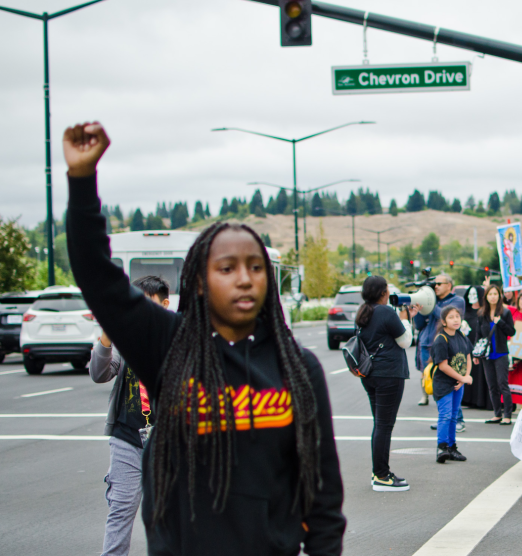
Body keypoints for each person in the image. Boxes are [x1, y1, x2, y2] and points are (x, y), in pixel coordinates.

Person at [63, 122, 344, 554]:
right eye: (227, 268)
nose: (245, 279)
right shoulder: (170, 348)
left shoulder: (297, 367)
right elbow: (100, 281)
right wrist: (82, 181)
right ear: (198, 282)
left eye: (255, 267)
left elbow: (322, 498)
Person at [90, 275, 169, 556]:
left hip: (167, 443)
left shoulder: (175, 338)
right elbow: (99, 374)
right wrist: (107, 334)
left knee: (169, 516)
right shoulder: (123, 339)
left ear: (165, 304)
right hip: (127, 438)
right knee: (120, 512)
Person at [355, 276, 417, 492]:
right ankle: (382, 476)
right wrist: (406, 320)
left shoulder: (364, 312)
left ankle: (378, 473)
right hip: (389, 375)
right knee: (384, 425)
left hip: (370, 375)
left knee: (379, 424)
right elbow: (405, 341)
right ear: (382, 292)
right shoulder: (386, 312)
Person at [413, 273, 465, 413]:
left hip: (447, 346)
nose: (435, 287)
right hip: (427, 344)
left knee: (450, 383)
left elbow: (443, 316)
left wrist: (430, 302)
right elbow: (419, 325)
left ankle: (456, 418)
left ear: (449, 285)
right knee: (435, 383)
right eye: (434, 284)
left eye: (439, 284)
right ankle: (443, 416)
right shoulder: (432, 301)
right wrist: (418, 309)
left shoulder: (457, 301)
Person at [430, 306, 474, 464]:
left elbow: (468, 356)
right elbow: (443, 366)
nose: (456, 320)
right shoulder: (441, 339)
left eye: (457, 316)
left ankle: (452, 448)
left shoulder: (461, 335)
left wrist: (466, 375)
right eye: (451, 317)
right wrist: (462, 379)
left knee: (454, 416)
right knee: (445, 415)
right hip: (444, 384)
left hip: (458, 383)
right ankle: (441, 448)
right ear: (443, 321)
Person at [478, 285, 517, 425]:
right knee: (492, 385)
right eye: (490, 294)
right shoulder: (482, 314)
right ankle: (497, 414)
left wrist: (499, 322)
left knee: (502, 384)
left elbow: (512, 332)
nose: (493, 296)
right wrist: (477, 354)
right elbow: (479, 335)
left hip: (501, 353)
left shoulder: (505, 313)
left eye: (495, 294)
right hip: (487, 354)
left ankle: (507, 414)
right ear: (486, 297)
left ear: (500, 296)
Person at [460, 286, 490, 410]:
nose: (472, 298)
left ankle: (483, 400)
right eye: (470, 295)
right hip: (468, 348)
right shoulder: (464, 313)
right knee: (470, 372)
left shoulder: (485, 312)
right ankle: (470, 399)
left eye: (475, 295)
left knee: (483, 374)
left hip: (483, 349)